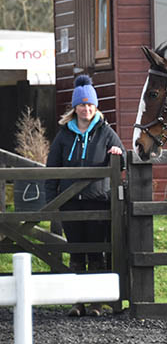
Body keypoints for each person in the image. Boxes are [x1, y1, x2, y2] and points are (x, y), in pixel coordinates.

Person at [45, 75, 125, 317]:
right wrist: (51, 201)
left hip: (98, 201)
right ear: (75, 107)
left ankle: (96, 302)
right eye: (82, 104)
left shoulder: (106, 132)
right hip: (69, 203)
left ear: (96, 106)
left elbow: (122, 161)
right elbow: (52, 168)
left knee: (96, 251)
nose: (86, 108)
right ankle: (77, 301)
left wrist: (117, 154)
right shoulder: (63, 135)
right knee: (76, 251)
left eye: (90, 104)